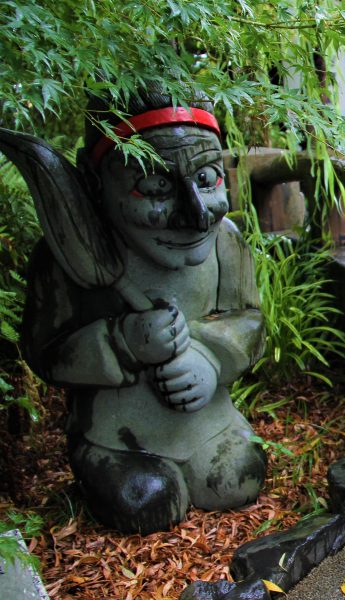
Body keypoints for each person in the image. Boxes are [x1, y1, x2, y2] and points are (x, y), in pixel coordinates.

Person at [20, 90, 266, 534]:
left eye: (207, 178)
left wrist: (210, 358)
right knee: (146, 499)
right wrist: (120, 342)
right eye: (155, 188)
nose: (194, 214)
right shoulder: (68, 257)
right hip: (116, 435)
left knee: (236, 480)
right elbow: (45, 351)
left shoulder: (225, 242)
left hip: (210, 421)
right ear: (95, 184)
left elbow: (250, 318)